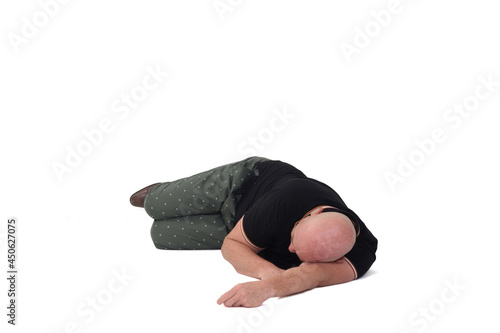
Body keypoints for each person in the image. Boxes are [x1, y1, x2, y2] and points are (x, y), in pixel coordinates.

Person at [130, 156, 378, 307]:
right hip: (241, 185)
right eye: (293, 238)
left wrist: (270, 288)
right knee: (156, 206)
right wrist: (270, 276)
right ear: (309, 216)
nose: (290, 249)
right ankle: (160, 192)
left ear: (335, 258)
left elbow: (310, 276)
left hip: (240, 227)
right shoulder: (286, 200)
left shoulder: (362, 251)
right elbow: (232, 246)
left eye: (300, 254)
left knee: (159, 236)